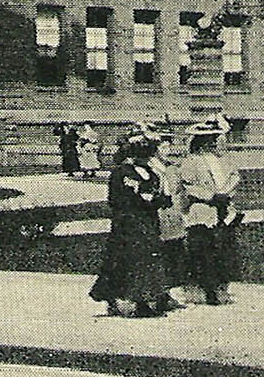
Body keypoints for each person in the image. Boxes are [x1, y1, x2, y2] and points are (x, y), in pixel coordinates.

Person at [88, 131, 175, 318]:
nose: (147, 158)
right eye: (143, 154)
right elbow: (120, 200)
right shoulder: (122, 173)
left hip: (148, 222)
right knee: (127, 260)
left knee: (146, 260)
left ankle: (146, 298)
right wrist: (146, 200)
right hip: (128, 224)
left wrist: (157, 200)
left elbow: (158, 197)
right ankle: (134, 300)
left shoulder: (150, 173)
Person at [179, 115, 242, 306]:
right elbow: (188, 186)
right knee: (203, 251)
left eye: (216, 138)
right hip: (203, 211)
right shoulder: (191, 161)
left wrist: (226, 193)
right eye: (211, 139)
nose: (215, 142)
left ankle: (221, 287)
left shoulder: (224, 161)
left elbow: (234, 177)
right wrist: (211, 196)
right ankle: (205, 289)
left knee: (224, 249)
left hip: (223, 210)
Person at [149, 127, 188, 306]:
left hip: (173, 214)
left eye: (168, 147)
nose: (166, 150)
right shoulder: (152, 166)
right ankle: (160, 293)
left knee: (175, 252)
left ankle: (170, 291)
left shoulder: (170, 167)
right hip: (160, 214)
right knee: (161, 253)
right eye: (163, 147)